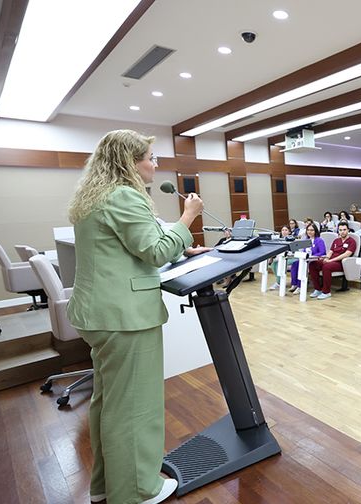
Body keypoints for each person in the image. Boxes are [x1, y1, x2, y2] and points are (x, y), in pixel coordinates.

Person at [67, 130, 207, 503]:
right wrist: (188, 216)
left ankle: (105, 487)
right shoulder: (126, 195)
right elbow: (155, 251)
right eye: (150, 157)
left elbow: (126, 249)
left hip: (99, 313)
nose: (155, 164)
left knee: (108, 402)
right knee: (134, 406)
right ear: (129, 161)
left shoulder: (95, 195)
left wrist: (181, 249)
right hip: (124, 317)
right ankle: (137, 490)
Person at [308, 222, 356, 299]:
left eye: (344, 230)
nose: (342, 232)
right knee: (313, 264)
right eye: (340, 230)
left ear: (348, 230)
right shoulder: (336, 240)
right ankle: (318, 289)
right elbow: (331, 251)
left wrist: (331, 260)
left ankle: (326, 292)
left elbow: (347, 254)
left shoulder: (351, 241)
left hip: (341, 263)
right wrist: (326, 258)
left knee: (326, 267)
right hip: (331, 260)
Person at [290, 223, 326, 294]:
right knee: (295, 264)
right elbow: (304, 251)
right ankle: (294, 284)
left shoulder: (319, 240)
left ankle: (300, 286)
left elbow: (322, 252)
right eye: (308, 230)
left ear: (315, 231)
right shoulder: (306, 240)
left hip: (314, 259)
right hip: (306, 258)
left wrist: (312, 255)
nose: (310, 232)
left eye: (312, 230)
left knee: (302, 265)